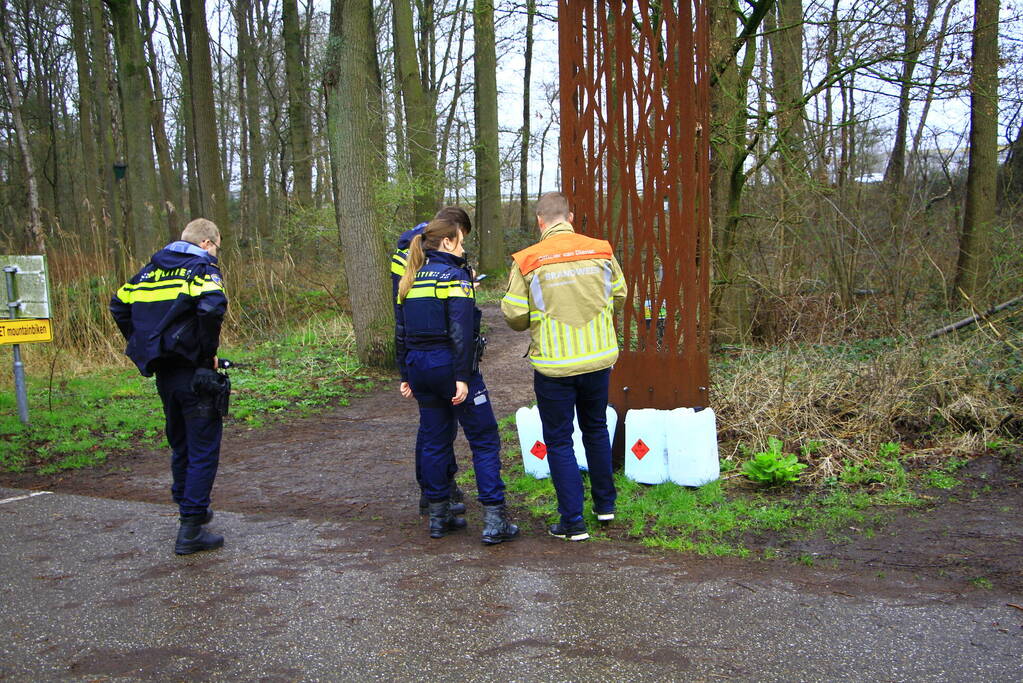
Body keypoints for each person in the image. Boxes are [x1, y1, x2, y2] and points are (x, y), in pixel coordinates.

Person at [501, 192, 627, 541]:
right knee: (596, 429)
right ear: (570, 216)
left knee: (559, 441)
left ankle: (572, 522)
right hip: (598, 358)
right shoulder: (601, 250)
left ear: (540, 221)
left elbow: (513, 314)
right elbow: (620, 293)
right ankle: (605, 506)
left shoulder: (528, 260)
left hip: (554, 366)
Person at [395, 217, 518, 544]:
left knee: (435, 439)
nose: (463, 248)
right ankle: (494, 517)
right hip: (450, 367)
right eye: (460, 242)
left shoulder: (409, 279)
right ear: (447, 243)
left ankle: (439, 515)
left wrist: (405, 375)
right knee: (484, 437)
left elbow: (401, 332)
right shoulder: (455, 277)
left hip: (419, 368)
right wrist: (463, 378)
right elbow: (461, 333)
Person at [110, 218, 228, 555]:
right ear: (207, 243)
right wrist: (207, 354)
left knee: (181, 441)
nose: (216, 252)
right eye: (217, 246)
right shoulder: (200, 269)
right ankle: (191, 527)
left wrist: (144, 344)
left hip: (164, 371)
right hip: (193, 369)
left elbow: (118, 304)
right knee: (203, 444)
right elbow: (212, 307)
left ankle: (190, 508)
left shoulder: (148, 271)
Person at [390, 207, 473, 518]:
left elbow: (402, 318)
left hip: (415, 354)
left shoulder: (413, 252)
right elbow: (456, 324)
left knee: (433, 429)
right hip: (437, 352)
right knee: (442, 429)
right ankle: (438, 491)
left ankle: (435, 499)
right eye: (462, 240)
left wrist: (405, 368)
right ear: (451, 235)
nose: (463, 247)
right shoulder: (437, 258)